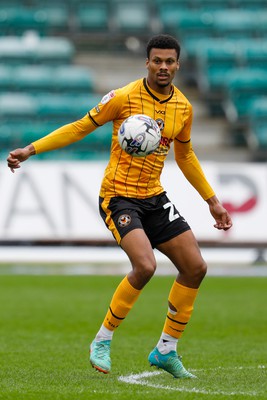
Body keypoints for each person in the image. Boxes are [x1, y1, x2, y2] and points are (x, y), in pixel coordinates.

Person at [7, 34, 232, 379]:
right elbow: (80, 127)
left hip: (154, 197)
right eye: (157, 61)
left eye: (169, 61)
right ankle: (103, 338)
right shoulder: (124, 97)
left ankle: (166, 350)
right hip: (118, 197)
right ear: (147, 63)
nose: (163, 67)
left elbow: (185, 155)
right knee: (145, 265)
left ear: (178, 65)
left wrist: (212, 201)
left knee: (196, 267)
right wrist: (31, 149)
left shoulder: (183, 108)